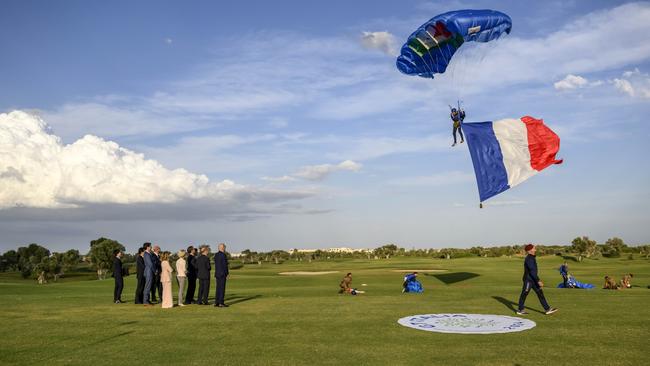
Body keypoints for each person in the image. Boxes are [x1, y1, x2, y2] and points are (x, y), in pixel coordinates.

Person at [516, 244, 558, 315]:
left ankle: (547, 309)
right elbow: (532, 271)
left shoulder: (532, 258)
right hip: (528, 280)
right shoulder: (529, 259)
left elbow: (533, 272)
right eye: (534, 248)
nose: (535, 249)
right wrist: (538, 280)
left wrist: (536, 280)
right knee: (524, 293)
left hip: (533, 279)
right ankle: (520, 310)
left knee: (540, 293)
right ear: (530, 250)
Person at [214, 243, 229, 307]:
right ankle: (221, 303)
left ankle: (216, 302)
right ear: (223, 248)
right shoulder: (223, 255)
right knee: (222, 288)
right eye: (224, 247)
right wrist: (227, 273)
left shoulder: (216, 255)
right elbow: (225, 265)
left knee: (218, 288)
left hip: (217, 273)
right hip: (222, 274)